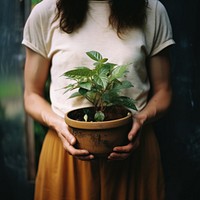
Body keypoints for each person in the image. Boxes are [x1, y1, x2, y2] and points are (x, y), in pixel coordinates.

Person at [22, 0, 175, 199]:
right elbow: (31, 95)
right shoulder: (47, 12)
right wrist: (58, 125)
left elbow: (164, 91)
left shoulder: (151, 9)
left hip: (134, 151)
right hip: (66, 153)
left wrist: (140, 119)